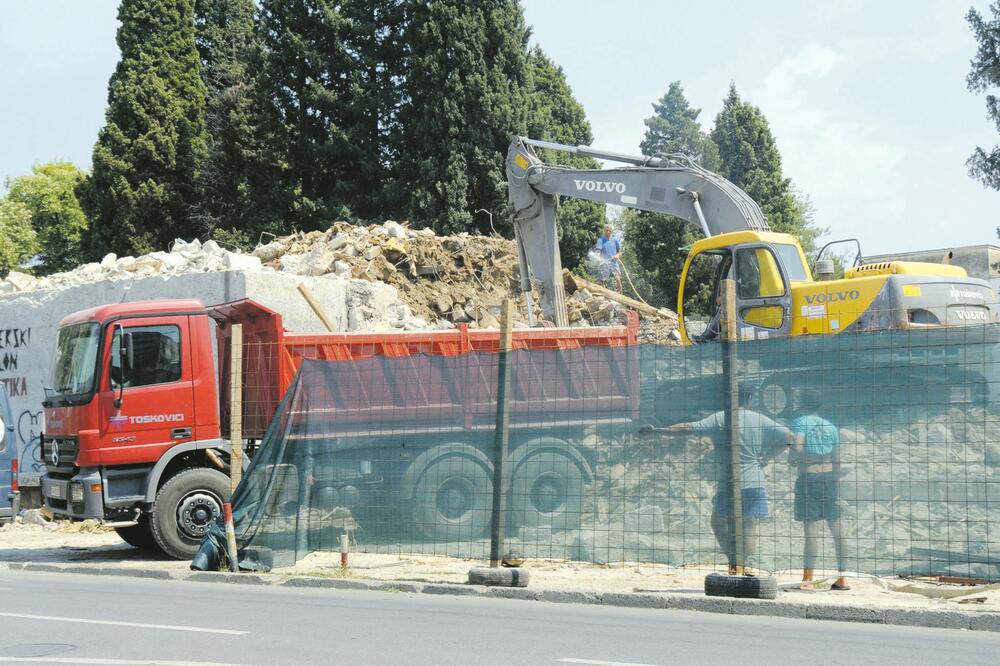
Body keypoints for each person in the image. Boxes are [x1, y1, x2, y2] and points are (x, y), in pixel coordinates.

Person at [645, 384, 799, 575]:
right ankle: (746, 565)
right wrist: (767, 457)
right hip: (753, 481)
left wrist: (658, 430)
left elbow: (687, 428)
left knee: (718, 522)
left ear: (730, 397)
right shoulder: (760, 419)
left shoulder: (720, 418)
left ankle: (734, 561)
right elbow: (791, 438)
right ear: (750, 399)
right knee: (749, 524)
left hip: (729, 482)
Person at [791, 390, 850, 591]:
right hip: (829, 480)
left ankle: (807, 580)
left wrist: (795, 458)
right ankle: (842, 578)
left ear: (802, 404)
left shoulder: (801, 422)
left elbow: (797, 447)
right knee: (838, 531)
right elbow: (837, 460)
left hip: (809, 478)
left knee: (811, 532)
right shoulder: (831, 427)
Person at [594, 225, 622, 292]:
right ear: (604, 231)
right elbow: (598, 251)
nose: (608, 232)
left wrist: (617, 255)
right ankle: (601, 295)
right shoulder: (600, 240)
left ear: (612, 231)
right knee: (601, 281)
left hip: (614, 263)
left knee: (618, 280)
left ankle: (620, 296)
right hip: (604, 263)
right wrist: (598, 258)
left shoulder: (615, 240)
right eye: (607, 230)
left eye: (610, 231)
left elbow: (620, 252)